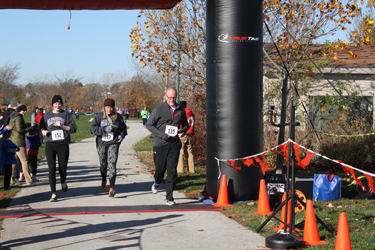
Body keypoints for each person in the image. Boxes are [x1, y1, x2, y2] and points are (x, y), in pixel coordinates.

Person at [146, 87, 188, 206]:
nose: (171, 100)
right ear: (165, 96)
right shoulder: (159, 109)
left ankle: (169, 197)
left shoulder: (180, 110)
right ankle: (157, 182)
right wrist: (163, 135)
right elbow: (149, 125)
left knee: (172, 171)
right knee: (160, 170)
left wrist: (182, 131)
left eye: (174, 97)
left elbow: (185, 125)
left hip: (174, 144)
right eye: (169, 97)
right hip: (160, 144)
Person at [40, 95, 77, 202]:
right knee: (51, 169)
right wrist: (43, 131)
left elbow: (73, 128)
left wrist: (62, 126)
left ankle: (63, 181)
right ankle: (53, 193)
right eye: (55, 104)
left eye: (59, 104)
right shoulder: (47, 115)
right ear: (52, 105)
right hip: (50, 144)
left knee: (62, 169)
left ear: (61, 104)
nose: (57, 105)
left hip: (62, 144)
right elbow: (42, 127)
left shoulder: (66, 114)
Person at [91, 98, 127, 197]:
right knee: (103, 164)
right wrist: (104, 129)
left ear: (114, 107)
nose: (109, 109)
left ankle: (112, 188)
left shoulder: (118, 117)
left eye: (111, 107)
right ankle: (103, 180)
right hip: (102, 143)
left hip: (113, 143)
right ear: (104, 107)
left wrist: (121, 135)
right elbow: (92, 129)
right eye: (107, 107)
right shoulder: (99, 117)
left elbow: (123, 128)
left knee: (112, 164)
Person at [9, 104, 35, 185]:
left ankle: (11, 180)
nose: (25, 112)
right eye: (24, 110)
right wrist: (29, 128)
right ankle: (28, 179)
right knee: (24, 160)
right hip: (19, 142)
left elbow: (16, 127)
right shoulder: (19, 117)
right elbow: (20, 130)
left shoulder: (12, 116)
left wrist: (25, 125)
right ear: (21, 110)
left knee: (13, 161)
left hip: (12, 140)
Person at [177, 101, 195, 174]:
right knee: (190, 152)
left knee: (181, 152)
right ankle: (192, 169)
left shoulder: (182, 113)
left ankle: (180, 170)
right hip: (190, 134)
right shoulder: (191, 113)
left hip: (183, 134)